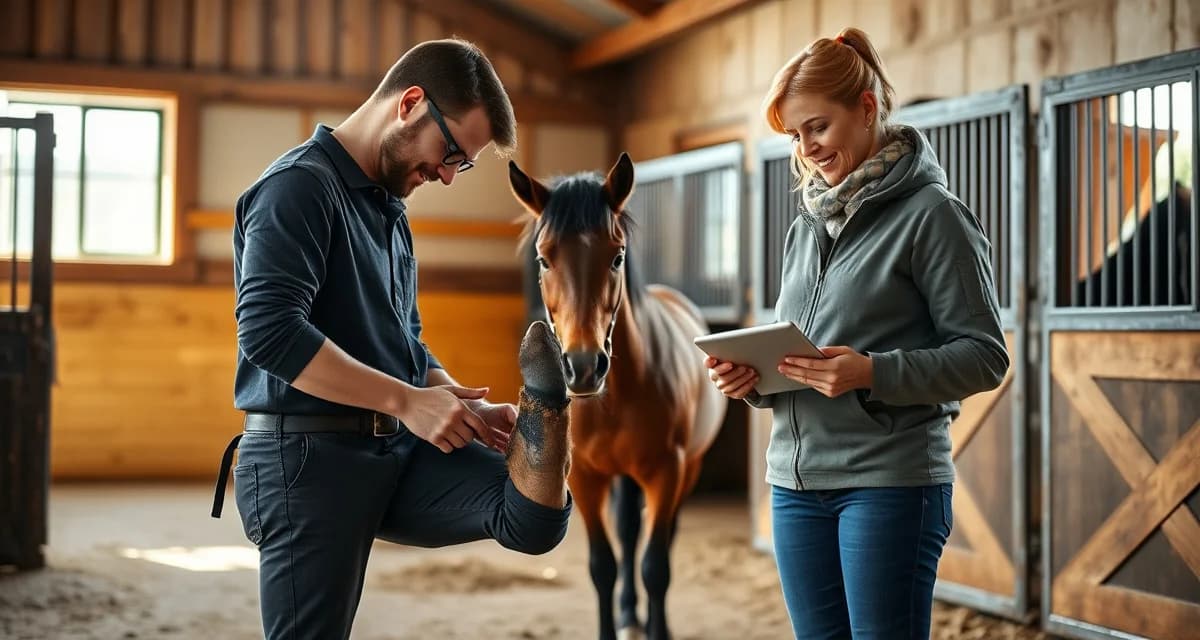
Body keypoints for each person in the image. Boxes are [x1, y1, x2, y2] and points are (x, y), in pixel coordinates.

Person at [209, 38, 574, 640]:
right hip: (306, 460)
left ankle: (549, 413)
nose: (448, 176)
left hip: (391, 447)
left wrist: (452, 397)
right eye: (451, 151)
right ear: (409, 103)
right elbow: (270, 334)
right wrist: (407, 402)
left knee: (535, 519)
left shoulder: (388, 208)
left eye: (463, 163)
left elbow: (403, 340)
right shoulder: (298, 188)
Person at [705, 27, 1009, 639]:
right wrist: (752, 382)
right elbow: (803, 355)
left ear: (866, 108)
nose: (807, 148)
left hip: (889, 483)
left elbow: (984, 357)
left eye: (817, 126)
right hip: (793, 485)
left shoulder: (934, 216)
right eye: (795, 135)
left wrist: (870, 371)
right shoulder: (805, 228)